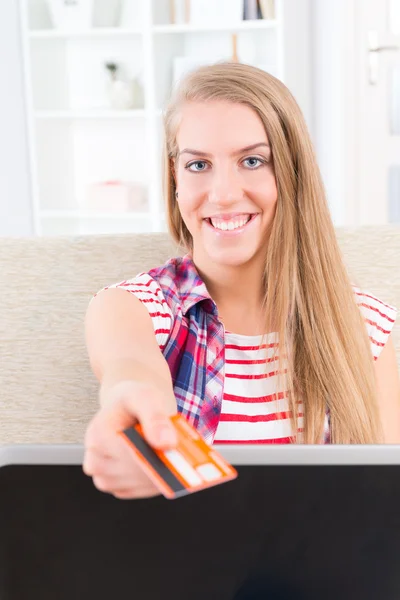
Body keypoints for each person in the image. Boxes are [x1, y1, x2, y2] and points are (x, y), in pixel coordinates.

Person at [83, 62, 400, 500]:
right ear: (175, 179)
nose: (224, 193)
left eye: (252, 161)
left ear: (291, 176)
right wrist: (137, 408)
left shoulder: (367, 326)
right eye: (198, 165)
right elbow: (130, 373)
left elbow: (383, 501)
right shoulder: (132, 308)